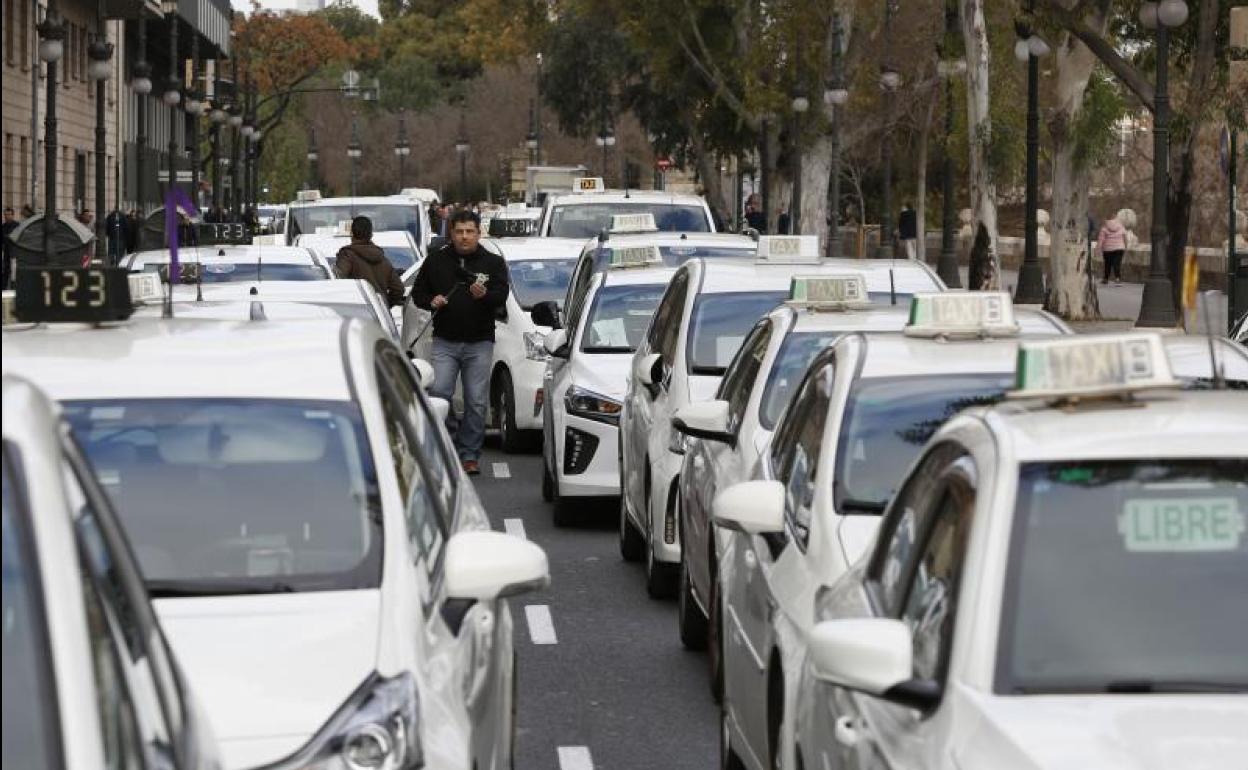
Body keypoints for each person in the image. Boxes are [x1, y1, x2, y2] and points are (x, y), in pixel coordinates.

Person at [411, 209, 509, 475]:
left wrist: (484, 295)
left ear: (479, 233)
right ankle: (447, 448)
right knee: (440, 392)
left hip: (480, 342)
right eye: (459, 232)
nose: (464, 237)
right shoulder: (436, 261)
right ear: (451, 233)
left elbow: (501, 296)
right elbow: (419, 292)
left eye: (470, 232)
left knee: (476, 401)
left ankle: (469, 455)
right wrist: (432, 301)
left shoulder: (493, 263)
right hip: (445, 340)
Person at [335, 216, 406, 307]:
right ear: (371, 234)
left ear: (351, 233)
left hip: (355, 311)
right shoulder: (383, 260)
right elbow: (398, 289)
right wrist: (384, 306)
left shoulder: (347, 256)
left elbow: (339, 282)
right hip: (379, 315)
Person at [1097, 212, 1127, 285]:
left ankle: (1106, 279)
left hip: (1107, 249)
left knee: (1107, 264)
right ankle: (1118, 278)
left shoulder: (1104, 227)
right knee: (1117, 263)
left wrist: (1097, 249)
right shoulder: (1121, 226)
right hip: (1119, 248)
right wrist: (1125, 246)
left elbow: (1101, 240)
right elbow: (1125, 237)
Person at [1, 207, 18, 290]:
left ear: (12, 215)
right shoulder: (3, 227)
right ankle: (4, 289)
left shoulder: (17, 226)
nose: (7, 216)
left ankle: (14, 288)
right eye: (5, 215)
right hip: (6, 253)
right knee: (5, 272)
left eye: (9, 214)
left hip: (15, 253)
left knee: (14, 273)